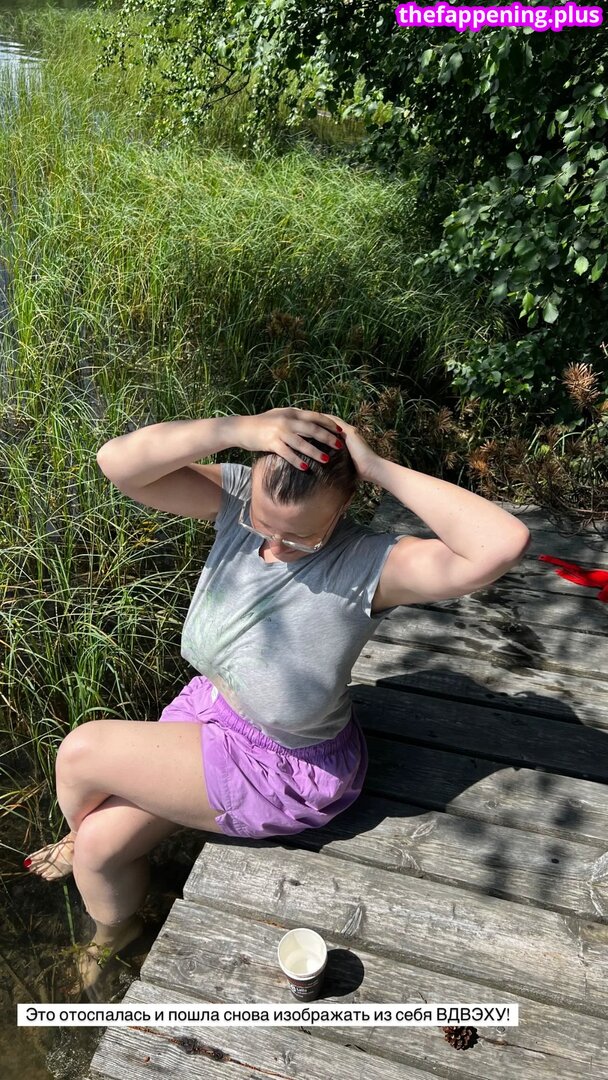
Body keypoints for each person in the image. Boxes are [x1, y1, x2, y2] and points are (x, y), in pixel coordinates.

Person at [24, 407, 530, 993]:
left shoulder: (370, 566)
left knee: (82, 752)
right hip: (210, 717)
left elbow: (502, 543)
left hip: (282, 766)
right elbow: (116, 462)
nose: (276, 545)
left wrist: (375, 466)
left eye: (299, 535)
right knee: (99, 849)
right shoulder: (238, 502)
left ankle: (79, 843)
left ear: (342, 506)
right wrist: (238, 430)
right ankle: (113, 934)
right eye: (264, 524)